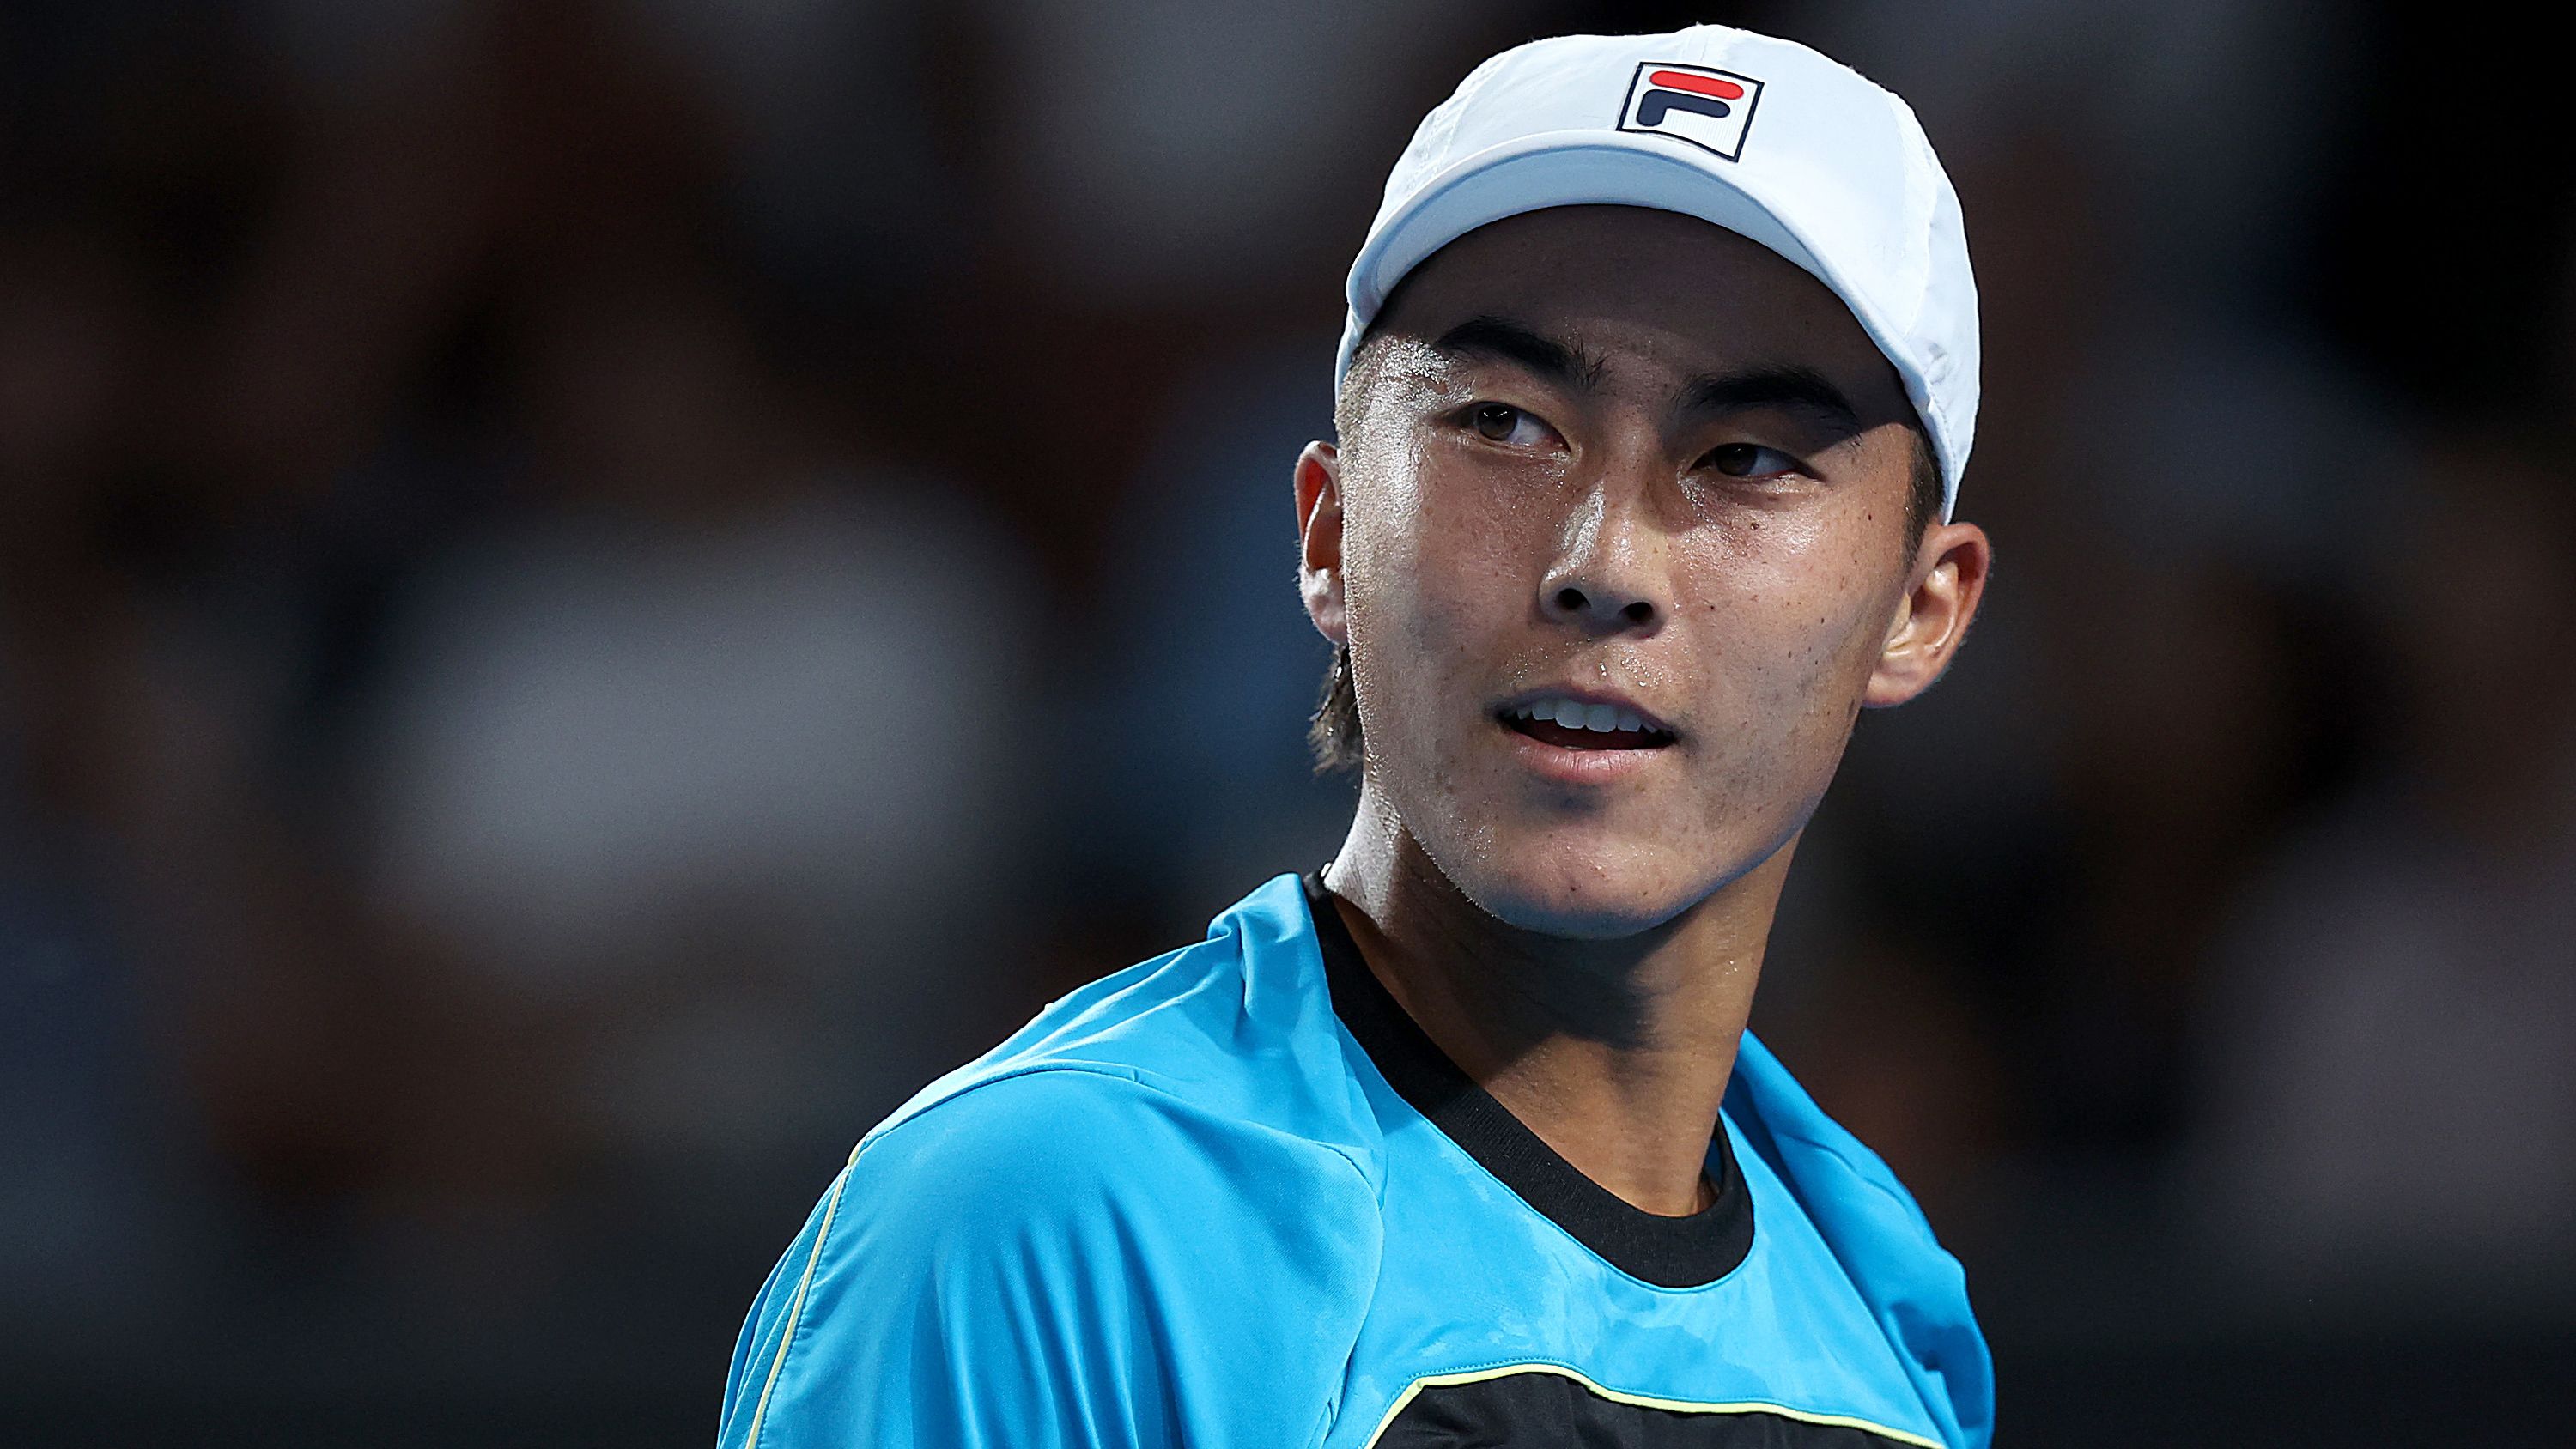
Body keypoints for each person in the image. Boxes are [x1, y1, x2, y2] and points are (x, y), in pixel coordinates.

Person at [719, 24, 1996, 1448]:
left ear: (1920, 607)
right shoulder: (1040, 1220)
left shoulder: (1888, 1315)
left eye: (1746, 458)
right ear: (1329, 534)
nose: (1604, 557)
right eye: (1506, 424)